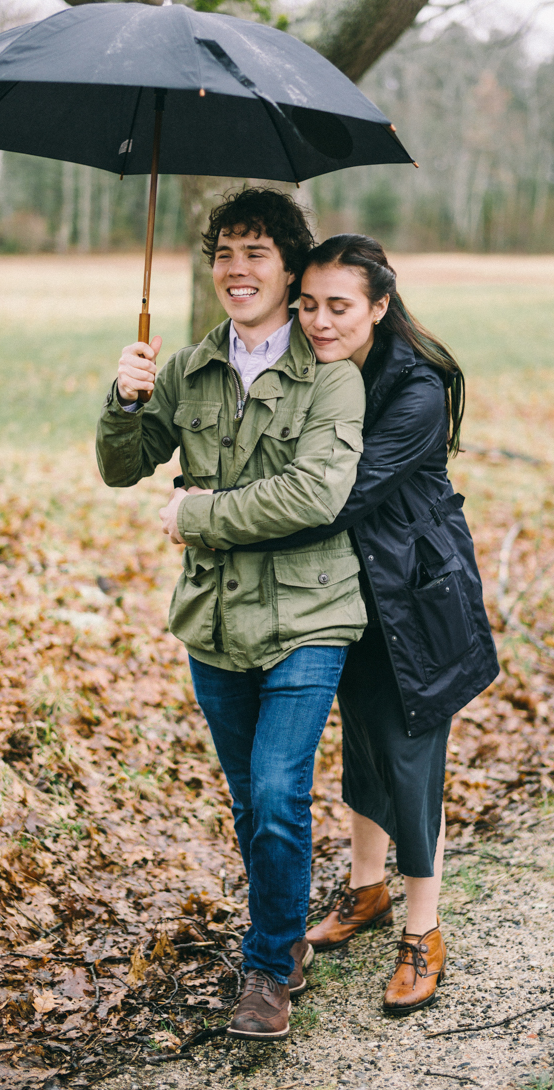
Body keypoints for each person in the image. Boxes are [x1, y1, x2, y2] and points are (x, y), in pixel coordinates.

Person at [189, 233, 499, 1015]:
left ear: (380, 306)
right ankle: (367, 892)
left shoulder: (414, 389)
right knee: (360, 742)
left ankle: (423, 929)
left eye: (340, 307)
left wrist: (211, 516)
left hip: (413, 595)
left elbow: (330, 498)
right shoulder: (322, 370)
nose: (320, 322)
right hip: (341, 591)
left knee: (407, 753)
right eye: (310, 304)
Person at [96, 189, 369, 1042]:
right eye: (224, 253)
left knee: (280, 791)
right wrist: (128, 398)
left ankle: (264, 969)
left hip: (310, 614)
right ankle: (287, 939)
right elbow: (121, 467)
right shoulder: (186, 368)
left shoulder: (331, 376)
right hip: (214, 620)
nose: (237, 269)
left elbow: (314, 494)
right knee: (253, 804)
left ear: (290, 269)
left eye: (257, 252)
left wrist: (198, 514)